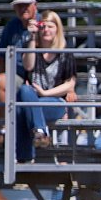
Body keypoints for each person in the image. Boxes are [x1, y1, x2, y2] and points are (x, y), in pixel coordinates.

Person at [15, 10, 75, 163]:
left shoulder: (65, 52)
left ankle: (25, 157)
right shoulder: (33, 48)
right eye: (43, 27)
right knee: (24, 91)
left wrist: (45, 93)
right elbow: (28, 66)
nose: (46, 30)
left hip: (55, 102)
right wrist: (32, 38)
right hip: (33, 99)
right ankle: (40, 132)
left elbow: (70, 84)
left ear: (57, 29)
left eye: (50, 26)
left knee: (22, 109)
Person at [0, 0, 40, 147]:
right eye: (18, 6)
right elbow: (2, 56)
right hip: (15, 75)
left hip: (40, 77)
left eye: (26, 5)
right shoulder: (12, 25)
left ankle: (5, 131)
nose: (22, 9)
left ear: (35, 6)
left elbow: (57, 54)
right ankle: (5, 130)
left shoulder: (45, 24)